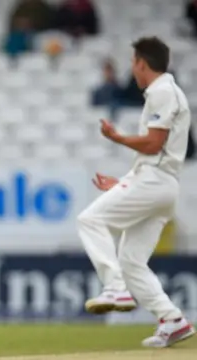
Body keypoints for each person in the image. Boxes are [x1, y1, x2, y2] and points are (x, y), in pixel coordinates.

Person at [77, 37, 195, 348]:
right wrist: (123, 183)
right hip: (158, 184)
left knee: (89, 220)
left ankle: (115, 287)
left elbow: (154, 145)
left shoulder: (162, 92)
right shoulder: (164, 92)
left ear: (142, 63)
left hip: (156, 182)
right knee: (131, 260)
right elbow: (157, 153)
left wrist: (117, 137)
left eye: (133, 63)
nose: (132, 69)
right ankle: (172, 320)